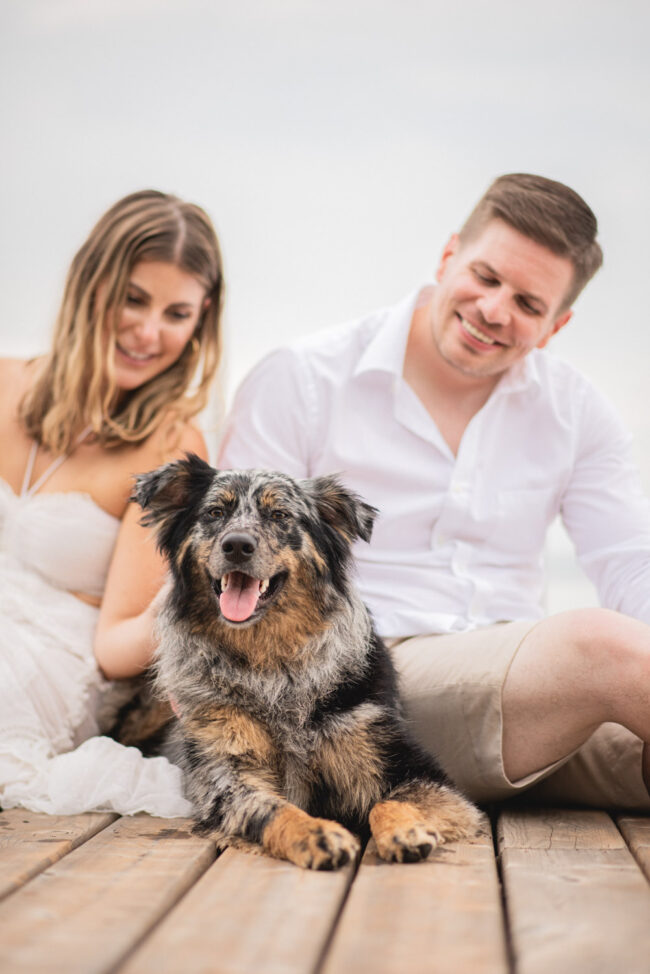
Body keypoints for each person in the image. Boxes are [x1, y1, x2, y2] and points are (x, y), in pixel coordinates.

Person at [218, 173, 650, 811]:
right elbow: (233, 557)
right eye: (486, 277)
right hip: (357, 687)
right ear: (448, 256)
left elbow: (630, 562)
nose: (495, 310)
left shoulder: (576, 411)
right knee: (604, 649)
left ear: (556, 325)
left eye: (528, 304)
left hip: (529, 693)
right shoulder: (304, 379)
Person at [0, 189, 224, 816]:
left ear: (202, 319)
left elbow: (117, 646)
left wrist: (192, 596)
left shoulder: (170, 446)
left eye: (177, 314)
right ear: (90, 283)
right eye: (133, 299)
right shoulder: (4, 381)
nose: (149, 332)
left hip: (48, 663)